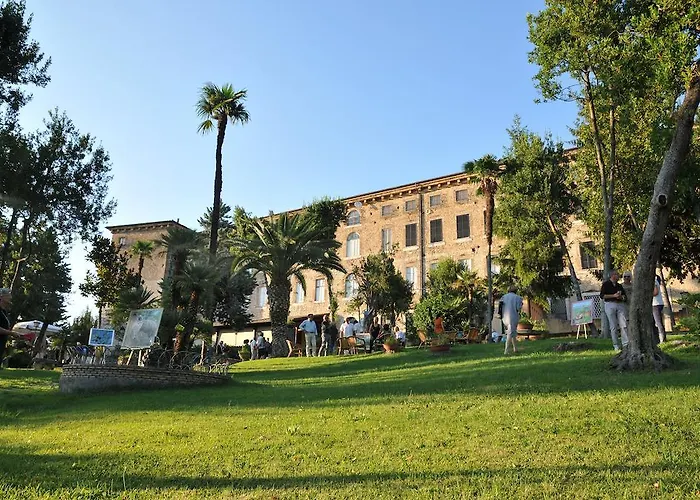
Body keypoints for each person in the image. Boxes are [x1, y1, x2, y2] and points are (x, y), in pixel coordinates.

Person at [600, 270, 628, 351]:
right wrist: (613, 295)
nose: (618, 276)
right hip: (610, 304)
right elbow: (602, 296)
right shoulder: (606, 284)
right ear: (612, 275)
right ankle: (616, 345)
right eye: (616, 274)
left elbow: (625, 297)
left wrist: (621, 297)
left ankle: (625, 343)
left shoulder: (619, 285)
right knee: (613, 326)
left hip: (620, 304)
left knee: (624, 324)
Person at [499, 285, 523, 354]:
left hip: (504, 316)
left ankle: (515, 348)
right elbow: (518, 308)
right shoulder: (518, 298)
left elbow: (500, 307)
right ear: (516, 291)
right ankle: (506, 350)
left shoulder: (503, 297)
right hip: (513, 316)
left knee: (512, 332)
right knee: (510, 333)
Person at [0, 288, 19, 368]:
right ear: (1, 297)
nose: (11, 297)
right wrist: (11, 333)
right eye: (8, 295)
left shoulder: (3, 312)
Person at [652, 275, 666, 343]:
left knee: (658, 322)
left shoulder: (653, 281)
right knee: (654, 322)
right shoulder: (654, 280)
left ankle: (662, 338)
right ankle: (657, 339)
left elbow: (655, 292)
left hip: (656, 304)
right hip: (655, 304)